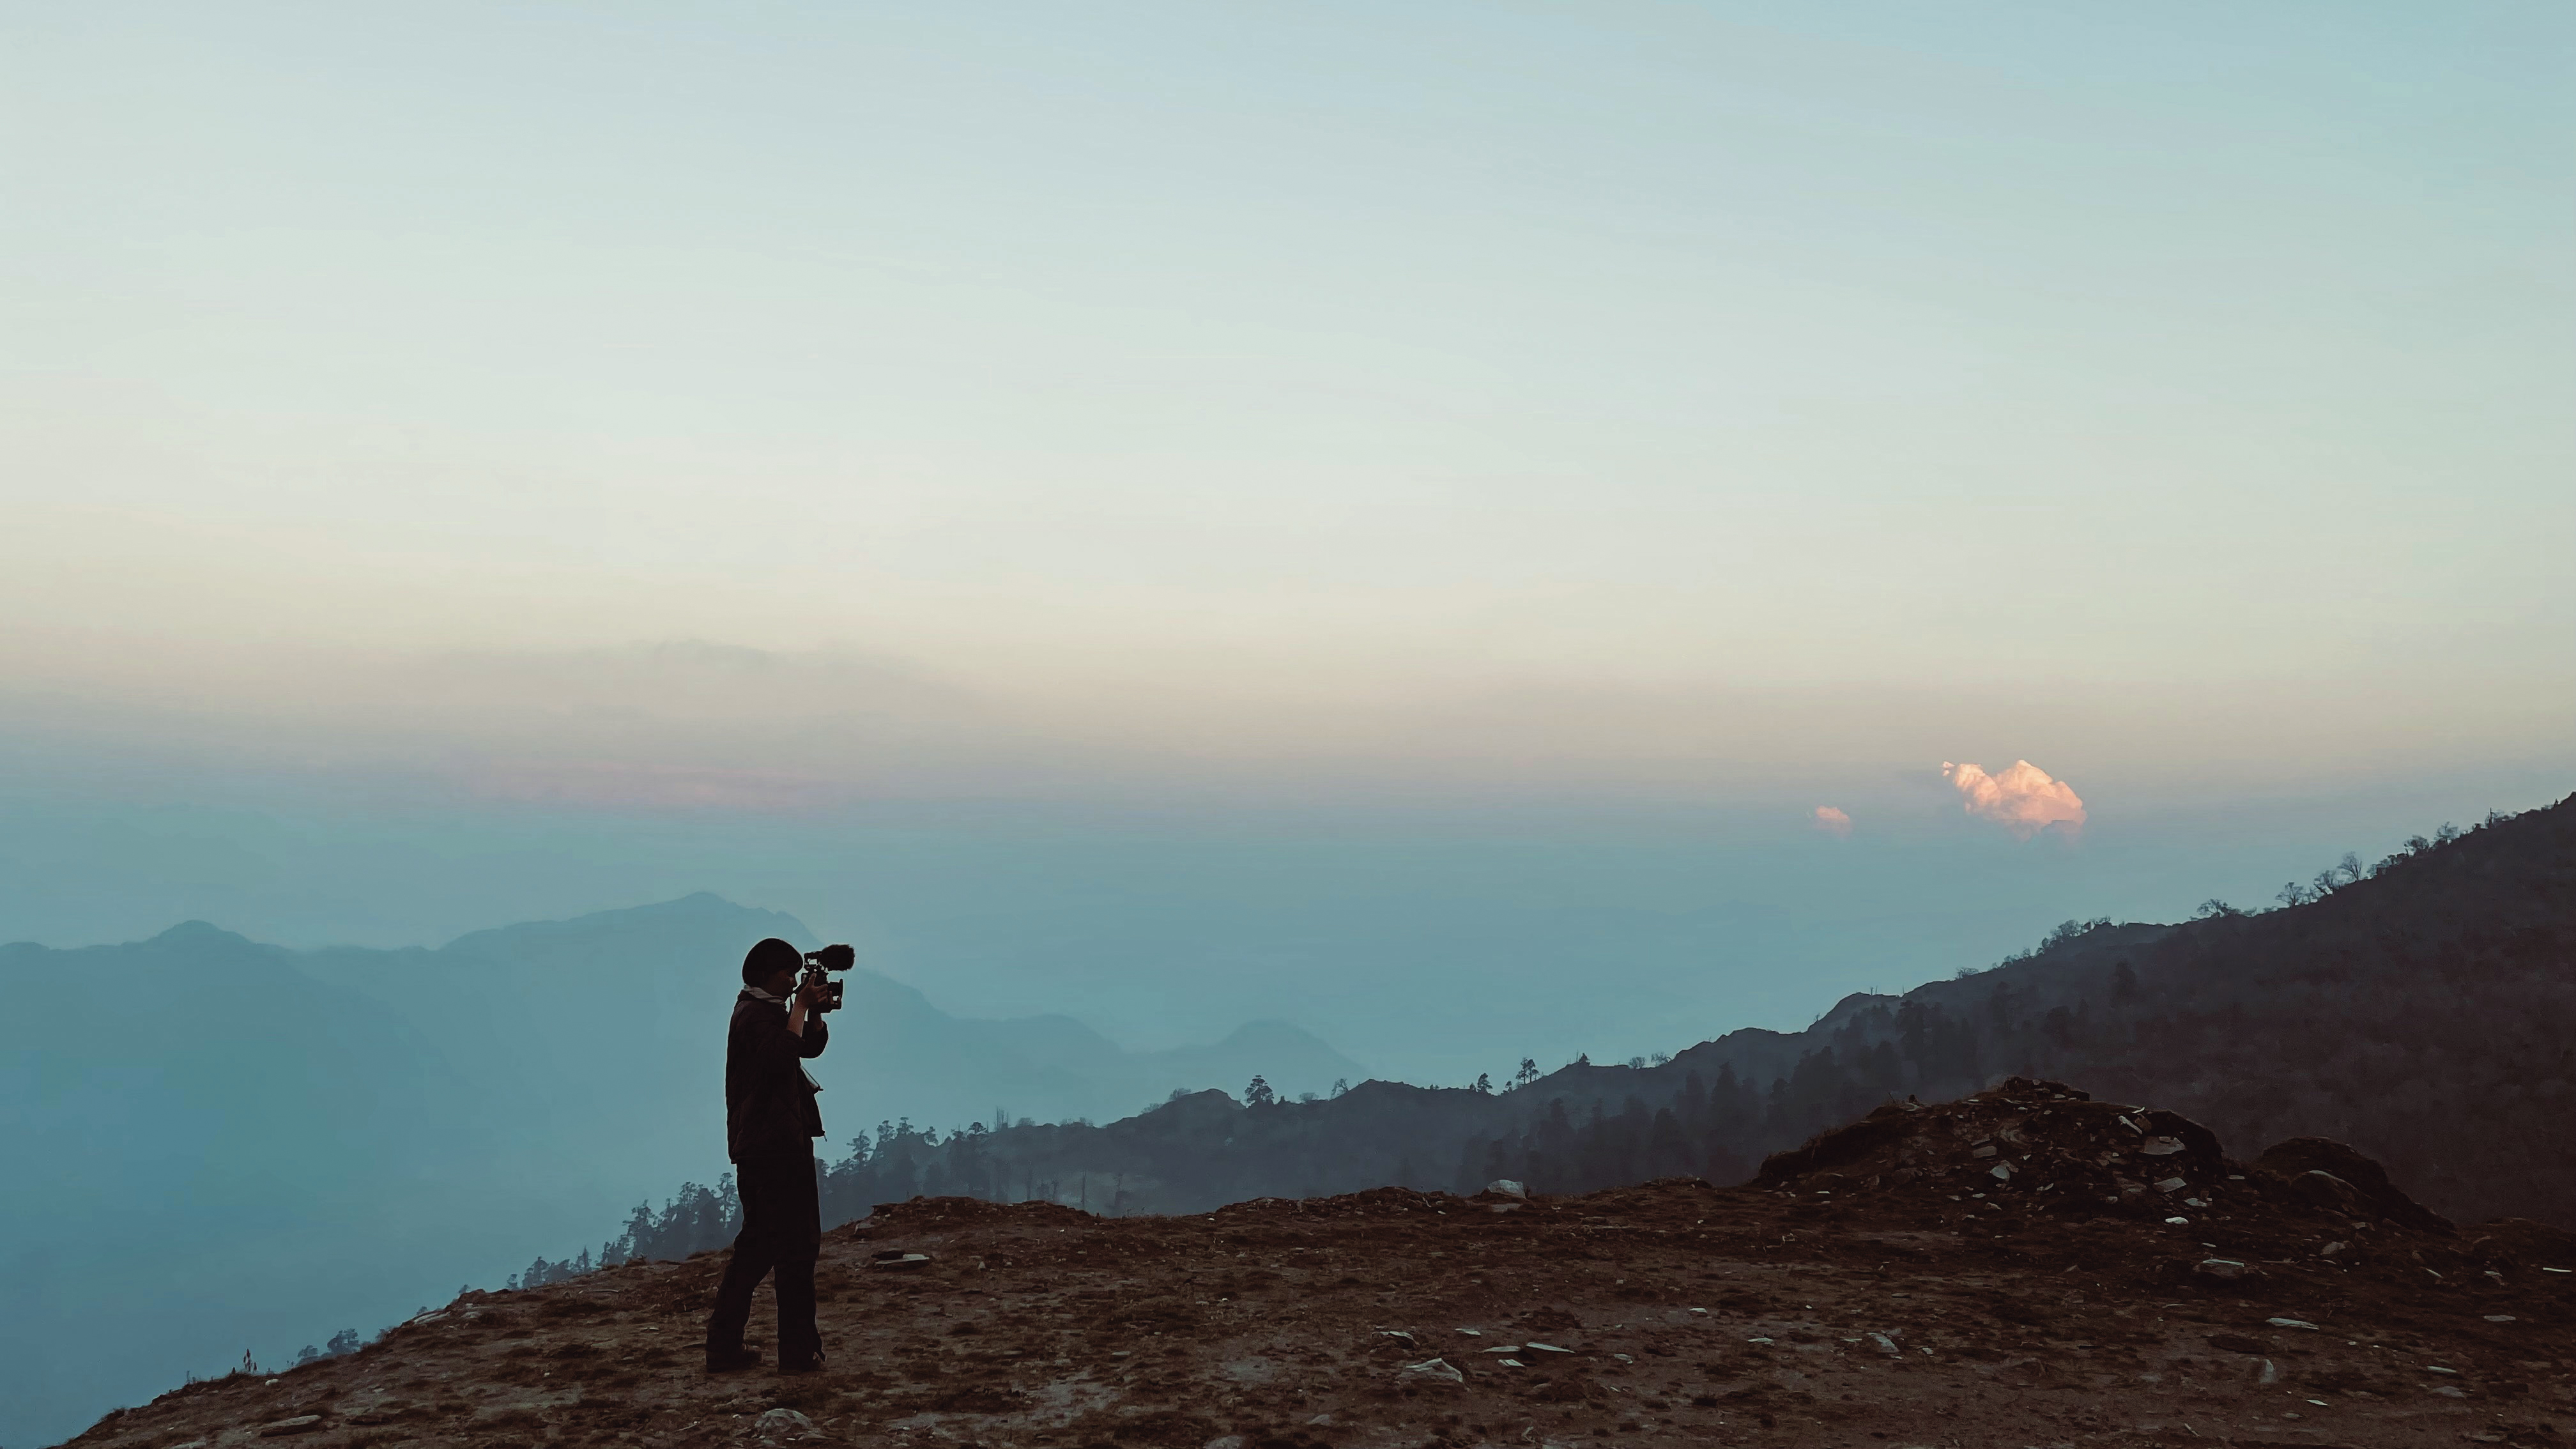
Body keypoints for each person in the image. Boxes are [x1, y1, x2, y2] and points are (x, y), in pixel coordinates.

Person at [705, 936, 844, 1373]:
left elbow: (807, 1048)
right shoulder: (753, 1016)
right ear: (766, 974)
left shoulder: (764, 1010)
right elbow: (781, 1058)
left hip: (775, 1144)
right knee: (795, 1249)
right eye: (787, 974)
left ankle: (726, 1347)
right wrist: (800, 1008)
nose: (792, 982)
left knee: (760, 1247)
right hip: (772, 1150)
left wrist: (812, 1014)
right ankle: (796, 1353)